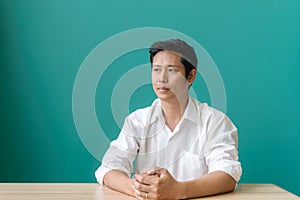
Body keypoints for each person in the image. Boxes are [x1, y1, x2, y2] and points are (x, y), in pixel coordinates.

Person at [95, 39, 242, 199]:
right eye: (156, 70)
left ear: (191, 76)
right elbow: (108, 169)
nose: (162, 79)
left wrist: (178, 190)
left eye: (171, 70)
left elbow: (227, 174)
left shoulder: (215, 122)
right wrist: (138, 188)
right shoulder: (138, 121)